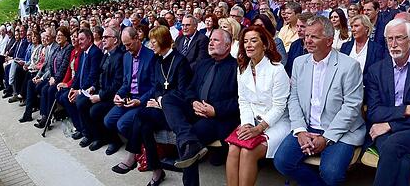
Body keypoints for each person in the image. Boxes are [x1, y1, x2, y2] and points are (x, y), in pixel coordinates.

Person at [273, 15, 366, 186]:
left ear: (329, 41)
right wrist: (300, 130)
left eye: (314, 36)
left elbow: (352, 107)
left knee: (331, 173)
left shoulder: (349, 66)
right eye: (307, 36)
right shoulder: (300, 63)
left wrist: (327, 138)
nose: (307, 40)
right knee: (282, 162)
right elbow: (293, 98)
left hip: (340, 131)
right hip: (307, 126)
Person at [113, 25, 193, 185]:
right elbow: (156, 86)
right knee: (144, 125)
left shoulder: (180, 61)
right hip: (160, 107)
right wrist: (157, 99)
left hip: (177, 112)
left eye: (153, 42)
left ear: (162, 41)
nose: (150, 45)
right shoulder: (158, 60)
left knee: (141, 115)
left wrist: (161, 102)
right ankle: (156, 170)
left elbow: (183, 93)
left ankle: (134, 156)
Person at [364, 19, 410, 186]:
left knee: (391, 146)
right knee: (403, 162)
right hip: (383, 129)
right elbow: (374, 112)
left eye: (399, 38)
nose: (394, 44)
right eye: (390, 39)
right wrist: (408, 109)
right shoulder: (376, 70)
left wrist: (390, 125)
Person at [162, 28, 240, 186]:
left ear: (228, 46)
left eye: (216, 40)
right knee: (168, 99)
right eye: (210, 40)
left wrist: (215, 110)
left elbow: (240, 101)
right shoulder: (203, 64)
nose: (210, 43)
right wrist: (193, 102)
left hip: (217, 118)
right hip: (196, 109)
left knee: (190, 139)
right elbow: (190, 89)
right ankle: (188, 138)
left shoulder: (237, 68)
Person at [226, 25, 289, 186]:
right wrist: (247, 124)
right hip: (252, 120)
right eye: (245, 41)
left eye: (254, 40)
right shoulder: (243, 69)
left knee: (248, 151)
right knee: (233, 148)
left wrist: (258, 129)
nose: (248, 45)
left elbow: (279, 107)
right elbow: (244, 101)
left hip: (277, 123)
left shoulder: (277, 69)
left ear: (265, 44)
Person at [104, 27, 156, 155]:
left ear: (137, 38)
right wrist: (118, 95)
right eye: (124, 45)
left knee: (122, 124)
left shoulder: (151, 56)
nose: (126, 49)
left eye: (129, 44)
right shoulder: (126, 57)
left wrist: (140, 101)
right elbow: (126, 83)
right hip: (129, 98)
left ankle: (142, 149)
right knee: (108, 121)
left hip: (143, 100)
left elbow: (155, 87)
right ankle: (139, 145)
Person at [81, 26, 125, 152]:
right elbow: (99, 74)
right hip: (101, 91)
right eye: (103, 37)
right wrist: (93, 87)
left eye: (106, 37)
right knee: (81, 102)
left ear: (115, 40)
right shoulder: (106, 54)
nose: (103, 39)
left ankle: (114, 140)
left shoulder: (119, 57)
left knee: (95, 110)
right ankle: (95, 136)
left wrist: (100, 96)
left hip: (112, 96)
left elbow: (117, 84)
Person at [60, 28, 103, 145]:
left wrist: (79, 91)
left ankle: (90, 134)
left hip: (92, 88)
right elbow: (78, 74)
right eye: (78, 39)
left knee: (80, 101)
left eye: (82, 39)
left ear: (89, 39)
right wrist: (73, 88)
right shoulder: (84, 52)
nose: (79, 42)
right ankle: (81, 128)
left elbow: (92, 76)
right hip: (82, 87)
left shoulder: (95, 52)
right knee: (65, 97)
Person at [34, 26, 73, 129]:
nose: (59, 37)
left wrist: (55, 79)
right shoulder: (58, 48)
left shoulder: (68, 48)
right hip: (54, 77)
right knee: (44, 89)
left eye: (61, 35)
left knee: (50, 90)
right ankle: (44, 116)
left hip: (62, 79)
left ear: (66, 37)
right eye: (58, 35)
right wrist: (52, 77)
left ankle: (47, 119)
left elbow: (64, 67)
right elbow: (51, 64)